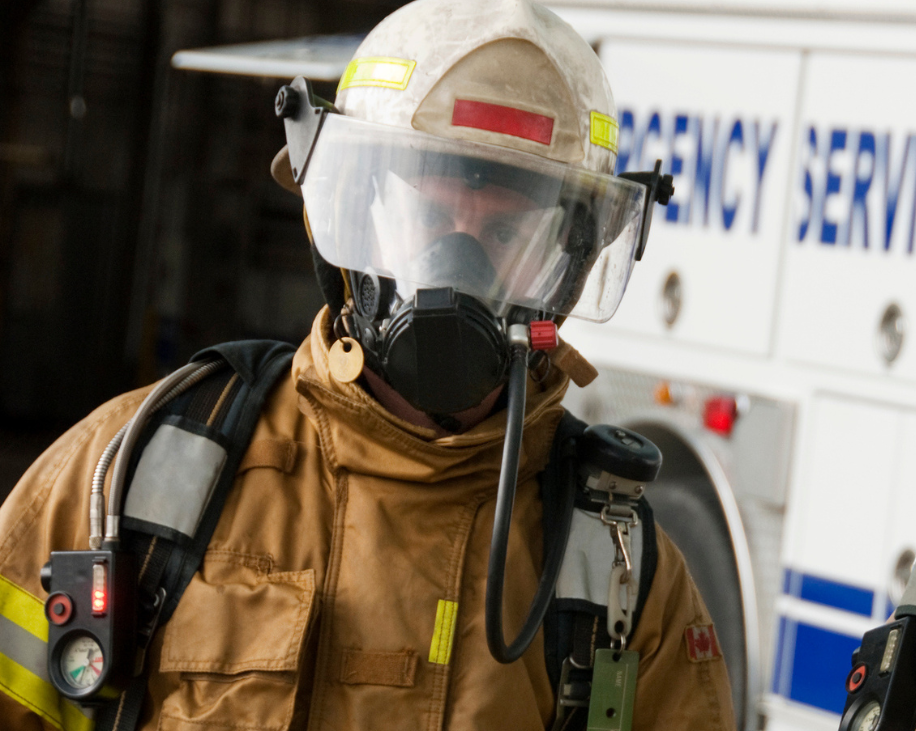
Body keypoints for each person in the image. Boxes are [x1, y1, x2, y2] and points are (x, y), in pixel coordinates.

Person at [0, 1, 735, 729]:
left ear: (567, 265)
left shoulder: (622, 580)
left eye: (506, 228)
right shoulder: (136, 475)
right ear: (352, 211)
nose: (457, 264)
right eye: (428, 212)